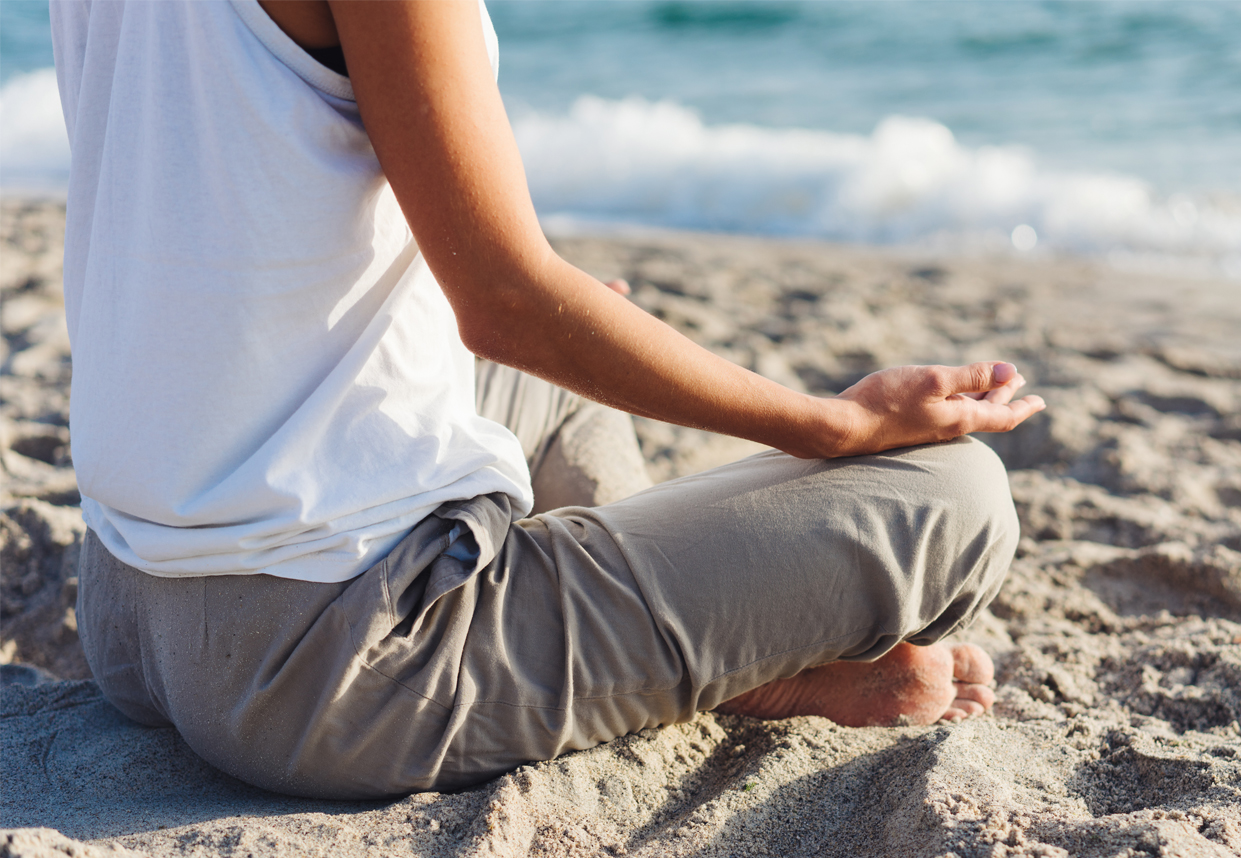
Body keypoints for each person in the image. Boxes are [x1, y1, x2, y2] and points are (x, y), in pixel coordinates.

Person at [52, 0, 1046, 800]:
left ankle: (701, 654)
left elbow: (225, 203)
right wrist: (840, 422)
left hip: (132, 600)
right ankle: (729, 669)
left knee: (559, 382)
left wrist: (554, 325)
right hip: (322, 667)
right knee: (957, 499)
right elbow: (508, 303)